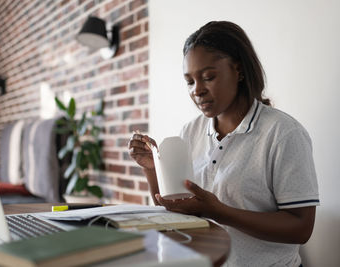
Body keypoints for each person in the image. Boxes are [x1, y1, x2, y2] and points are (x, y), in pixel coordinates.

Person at [128, 21, 319, 267]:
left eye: (208, 77)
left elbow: (301, 228)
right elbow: (177, 211)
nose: (197, 90)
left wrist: (220, 212)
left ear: (238, 70)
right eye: (189, 81)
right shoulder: (190, 132)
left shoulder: (282, 133)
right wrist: (152, 169)